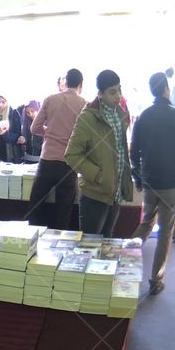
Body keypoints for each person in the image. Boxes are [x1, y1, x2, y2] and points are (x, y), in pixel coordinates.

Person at [129, 72, 175, 294]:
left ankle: (122, 257)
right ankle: (155, 281)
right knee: (165, 231)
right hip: (169, 183)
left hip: (149, 182)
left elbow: (133, 152)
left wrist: (138, 178)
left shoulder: (143, 116)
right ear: (166, 88)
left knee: (147, 222)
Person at [65, 70, 133, 237]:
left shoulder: (119, 114)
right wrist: (98, 175)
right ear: (100, 94)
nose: (118, 96)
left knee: (107, 242)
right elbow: (71, 155)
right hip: (95, 195)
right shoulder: (88, 117)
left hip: (115, 193)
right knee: (90, 243)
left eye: (119, 90)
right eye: (112, 92)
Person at [27, 69, 86, 229]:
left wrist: (49, 131)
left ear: (66, 82)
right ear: (81, 84)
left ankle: (31, 238)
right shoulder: (84, 105)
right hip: (68, 163)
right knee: (63, 212)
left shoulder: (51, 99)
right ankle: (60, 240)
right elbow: (85, 136)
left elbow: (34, 128)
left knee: (35, 207)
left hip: (47, 159)